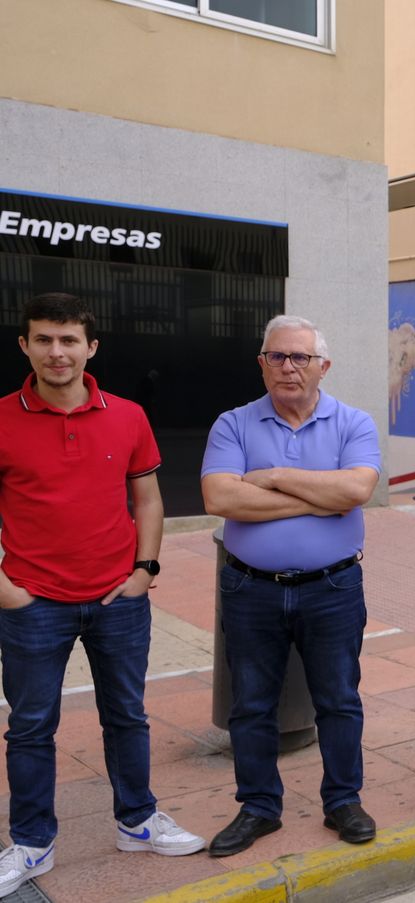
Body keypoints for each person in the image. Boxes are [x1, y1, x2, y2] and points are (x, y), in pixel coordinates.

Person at [0, 294, 205, 894]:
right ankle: (32, 844)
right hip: (33, 602)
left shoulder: (129, 415)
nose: (56, 352)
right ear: (25, 346)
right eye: (44, 340)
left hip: (119, 598)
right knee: (32, 727)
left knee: (127, 716)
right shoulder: (1, 417)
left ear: (91, 347)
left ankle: (137, 821)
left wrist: (145, 570)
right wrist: (4, 589)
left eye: (68, 340)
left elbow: (148, 498)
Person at [200, 315, 382, 856]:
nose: (288, 367)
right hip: (249, 590)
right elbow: (221, 500)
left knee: (339, 699)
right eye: (276, 357)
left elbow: (358, 488)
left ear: (322, 366)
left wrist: (274, 475)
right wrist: (321, 498)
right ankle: (258, 807)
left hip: (332, 588)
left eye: (300, 357)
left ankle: (343, 801)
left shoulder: (353, 422)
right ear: (261, 364)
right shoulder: (232, 424)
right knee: (251, 703)